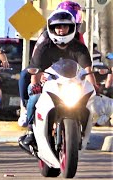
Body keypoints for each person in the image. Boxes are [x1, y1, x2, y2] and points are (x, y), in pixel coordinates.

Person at [19, 9, 97, 145]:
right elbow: (35, 71)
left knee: (87, 101)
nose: (61, 29)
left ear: (71, 28)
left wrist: (94, 88)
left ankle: (82, 131)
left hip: (71, 85)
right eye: (58, 26)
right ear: (51, 28)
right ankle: (31, 130)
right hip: (49, 83)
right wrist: (36, 86)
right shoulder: (44, 47)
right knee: (35, 97)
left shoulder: (79, 47)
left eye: (65, 26)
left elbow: (88, 70)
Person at [18, 1, 85, 126]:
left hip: (68, 72)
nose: (63, 27)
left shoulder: (79, 37)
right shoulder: (46, 35)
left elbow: (82, 60)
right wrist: (37, 82)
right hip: (48, 67)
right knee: (25, 77)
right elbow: (37, 59)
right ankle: (27, 112)